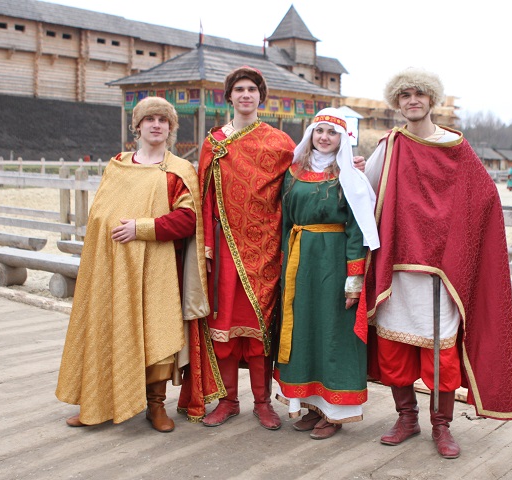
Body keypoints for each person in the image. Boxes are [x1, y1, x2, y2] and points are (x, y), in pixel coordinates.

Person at [360, 68, 512, 459]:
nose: (412, 100)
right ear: (398, 103)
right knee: (395, 349)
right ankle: (407, 418)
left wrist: (458, 239)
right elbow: (368, 193)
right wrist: (354, 171)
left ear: (431, 100)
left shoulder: (456, 148)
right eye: (405, 95)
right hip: (398, 267)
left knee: (441, 355)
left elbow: (484, 197)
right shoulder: (390, 146)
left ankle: (441, 426)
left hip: (443, 272)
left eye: (419, 94)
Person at [56, 96, 223, 431]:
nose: (156, 125)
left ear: (171, 128)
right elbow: (99, 215)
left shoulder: (178, 171)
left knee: (156, 333)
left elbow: (188, 220)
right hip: (114, 268)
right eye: (150, 119)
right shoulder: (117, 166)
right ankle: (95, 402)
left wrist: (141, 228)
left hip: (158, 268)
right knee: (107, 327)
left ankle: (155, 406)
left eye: (163, 120)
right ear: (138, 126)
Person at [193, 66, 296, 430]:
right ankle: (228, 401)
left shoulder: (280, 143)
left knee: (259, 327)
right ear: (230, 97)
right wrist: (206, 247)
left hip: (266, 247)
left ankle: (263, 403)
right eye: (239, 89)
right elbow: (203, 197)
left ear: (260, 96)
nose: (246, 94)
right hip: (224, 247)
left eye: (252, 89)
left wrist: (349, 166)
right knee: (223, 324)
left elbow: (303, 179)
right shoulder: (214, 142)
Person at [273, 108, 380, 440]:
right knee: (304, 330)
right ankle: (310, 406)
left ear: (342, 139)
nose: (324, 137)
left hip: (333, 262)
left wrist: (354, 279)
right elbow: (285, 221)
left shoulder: (350, 177)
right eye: (319, 131)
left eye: (332, 133)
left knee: (333, 331)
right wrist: (283, 264)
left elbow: (357, 230)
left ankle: (335, 412)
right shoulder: (293, 172)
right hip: (299, 261)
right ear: (311, 134)